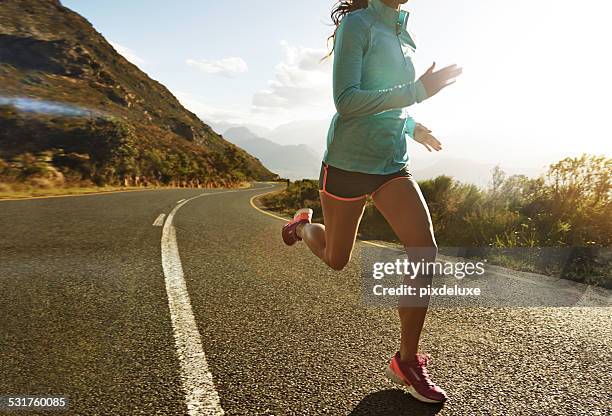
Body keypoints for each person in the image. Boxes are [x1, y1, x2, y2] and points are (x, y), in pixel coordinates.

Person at [281, 0, 461, 404]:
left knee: (423, 248)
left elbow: (391, 105)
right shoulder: (357, 26)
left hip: (391, 164)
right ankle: (302, 225)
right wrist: (417, 92)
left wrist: (413, 126)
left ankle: (407, 360)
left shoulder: (402, 33)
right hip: (347, 163)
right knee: (336, 258)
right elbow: (347, 100)